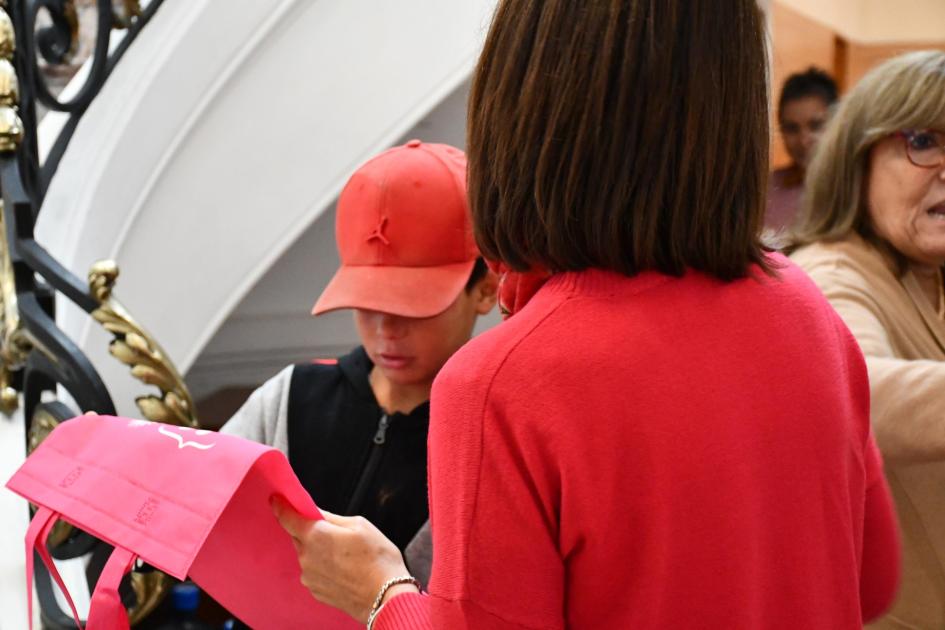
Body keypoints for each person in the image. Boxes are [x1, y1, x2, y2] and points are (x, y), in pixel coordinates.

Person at [274, 2, 900, 628]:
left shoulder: (505, 385)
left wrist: (382, 594)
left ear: (516, 106)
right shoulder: (809, 313)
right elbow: (871, 581)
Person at [221, 139, 497, 560]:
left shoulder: (490, 440)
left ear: (485, 288)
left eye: (413, 305)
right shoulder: (288, 399)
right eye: (368, 303)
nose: (386, 329)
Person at [788, 50, 945, 629]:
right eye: (924, 142)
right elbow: (858, 392)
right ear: (855, 164)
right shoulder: (830, 273)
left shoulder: (929, 268)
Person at [766, 67, 838, 233]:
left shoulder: (857, 189)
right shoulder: (766, 191)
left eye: (816, 126)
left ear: (838, 123)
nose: (804, 140)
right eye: (792, 128)